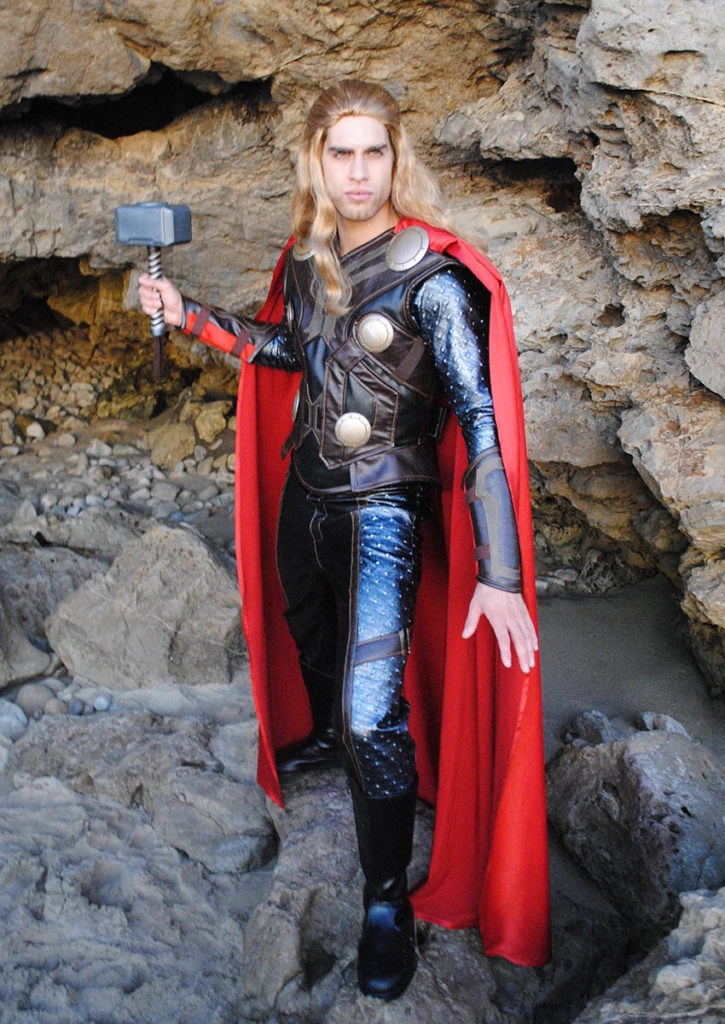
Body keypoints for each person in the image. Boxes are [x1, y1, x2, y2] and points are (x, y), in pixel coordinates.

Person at [138, 79, 550, 1002]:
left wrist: (499, 573)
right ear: (316, 163)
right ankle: (325, 737)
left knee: (373, 717)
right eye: (341, 153)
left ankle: (384, 903)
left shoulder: (436, 278)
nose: (358, 171)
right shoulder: (307, 258)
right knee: (305, 631)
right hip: (307, 498)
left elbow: (482, 422)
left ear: (396, 159)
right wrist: (188, 314)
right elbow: (292, 350)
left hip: (384, 515)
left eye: (374, 152)